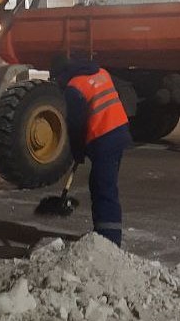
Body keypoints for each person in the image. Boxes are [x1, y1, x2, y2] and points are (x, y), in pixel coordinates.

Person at [49, 51, 132, 247]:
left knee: (104, 187)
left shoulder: (73, 88)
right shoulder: (100, 72)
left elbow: (76, 126)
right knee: (101, 183)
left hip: (105, 137)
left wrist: (77, 151)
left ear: (60, 75)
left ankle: (109, 241)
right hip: (120, 131)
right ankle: (104, 234)